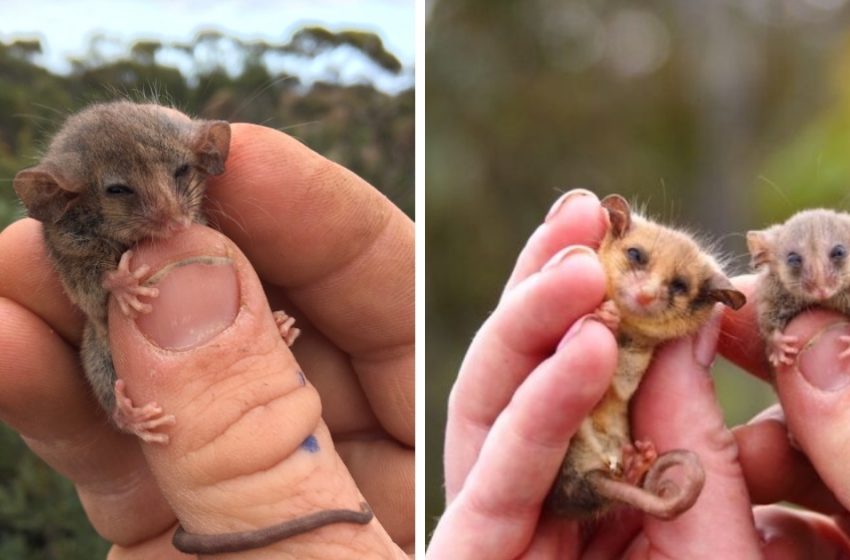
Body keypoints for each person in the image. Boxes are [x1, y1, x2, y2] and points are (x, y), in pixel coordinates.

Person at [0, 124, 413, 558]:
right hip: (115, 347)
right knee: (100, 358)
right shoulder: (72, 232)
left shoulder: (195, 220)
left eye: (180, 176)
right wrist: (111, 283)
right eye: (123, 192)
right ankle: (126, 414)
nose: (172, 213)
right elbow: (88, 298)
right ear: (69, 197)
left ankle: (262, 336)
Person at [427, 189, 850, 558]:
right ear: (614, 231)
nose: (646, 292)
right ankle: (620, 473)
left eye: (678, 288)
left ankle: (620, 472)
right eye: (635, 258)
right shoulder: (592, 305)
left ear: (705, 301)